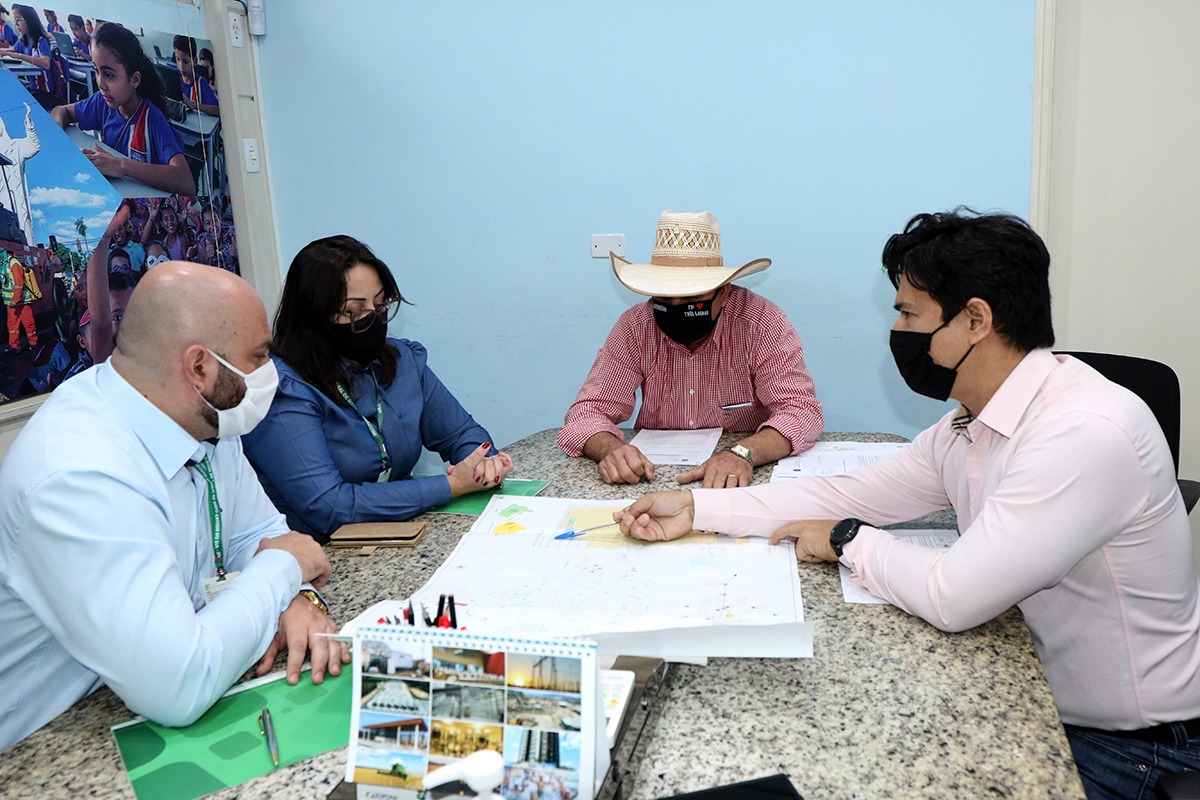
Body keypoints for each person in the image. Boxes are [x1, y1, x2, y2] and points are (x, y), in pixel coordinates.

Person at [615, 208, 1200, 799]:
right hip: (1036, 692)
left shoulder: (1082, 433)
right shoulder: (971, 423)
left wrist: (847, 538)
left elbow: (952, 595)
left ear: (975, 320)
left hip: (1129, 749)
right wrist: (697, 509)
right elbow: (851, 490)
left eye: (907, 313)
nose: (897, 331)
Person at [0, 260, 350, 752]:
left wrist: (297, 597)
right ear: (200, 368)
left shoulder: (203, 413)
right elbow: (178, 686)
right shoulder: (78, 475)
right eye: (259, 357)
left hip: (119, 698)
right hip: (40, 749)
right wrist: (283, 570)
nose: (272, 373)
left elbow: (262, 536)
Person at [242, 235, 513, 542]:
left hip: (400, 535)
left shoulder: (403, 361)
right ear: (314, 317)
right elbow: (329, 506)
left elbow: (463, 434)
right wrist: (450, 486)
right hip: (318, 558)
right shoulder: (282, 389)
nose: (373, 317)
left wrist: (481, 464)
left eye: (381, 304)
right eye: (354, 312)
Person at [559, 210, 823, 488]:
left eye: (691, 299)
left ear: (723, 292)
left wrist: (743, 453)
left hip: (741, 473)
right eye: (663, 298)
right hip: (653, 476)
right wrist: (610, 450)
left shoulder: (760, 323)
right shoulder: (635, 326)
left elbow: (801, 410)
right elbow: (586, 413)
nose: (675, 309)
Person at [48, 22, 195, 196]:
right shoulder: (101, 102)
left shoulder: (152, 119)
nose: (100, 83)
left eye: (109, 75)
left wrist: (121, 166)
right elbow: (61, 111)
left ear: (134, 80)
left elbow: (186, 182)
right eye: (96, 71)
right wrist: (56, 130)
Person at [0, 5, 62, 108]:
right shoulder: (24, 39)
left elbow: (46, 63)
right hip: (33, 88)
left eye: (19, 19)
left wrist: (20, 56)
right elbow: (11, 50)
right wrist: (4, 52)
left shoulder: (41, 40)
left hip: (45, 94)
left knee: (16, 101)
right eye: (15, 20)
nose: (16, 23)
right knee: (10, 93)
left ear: (29, 19)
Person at [173, 34, 217, 116]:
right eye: (178, 59)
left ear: (195, 62)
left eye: (185, 61)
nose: (181, 66)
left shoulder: (201, 83)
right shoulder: (174, 76)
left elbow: (219, 110)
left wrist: (194, 105)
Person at [2, 249, 37, 352]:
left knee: (28, 323)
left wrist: (15, 299)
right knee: (12, 325)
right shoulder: (4, 264)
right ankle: (15, 347)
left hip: (21, 301)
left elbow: (19, 283)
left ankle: (33, 344)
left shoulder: (13, 263)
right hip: (11, 302)